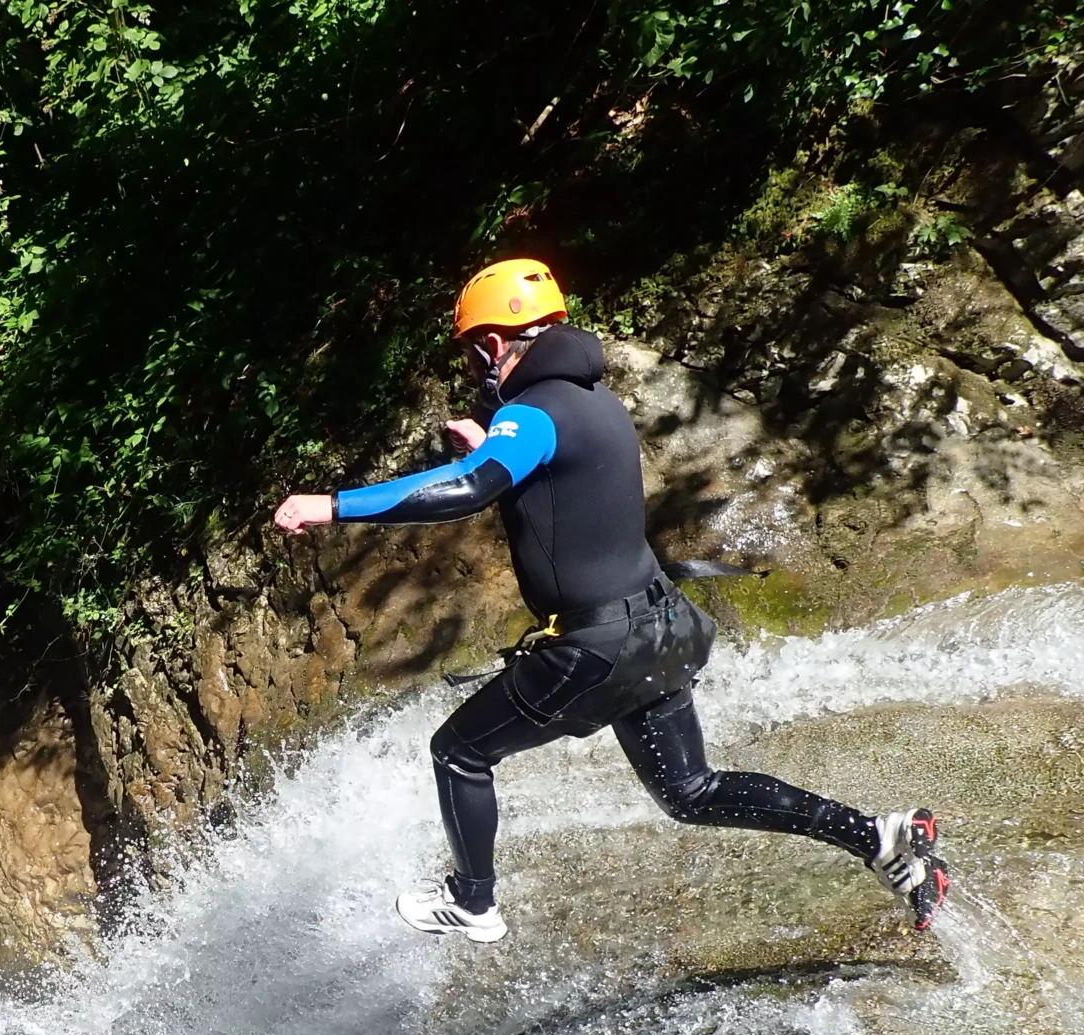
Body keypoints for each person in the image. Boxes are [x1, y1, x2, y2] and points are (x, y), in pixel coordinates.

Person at [272, 257, 948, 943]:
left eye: (474, 353)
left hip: (597, 649)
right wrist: (486, 450)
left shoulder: (535, 413)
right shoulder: (591, 399)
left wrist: (331, 505)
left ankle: (472, 901)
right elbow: (556, 494)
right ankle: (878, 837)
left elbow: (466, 489)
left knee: (459, 753)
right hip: (658, 626)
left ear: (490, 345)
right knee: (691, 792)